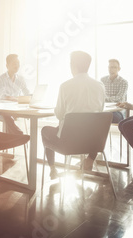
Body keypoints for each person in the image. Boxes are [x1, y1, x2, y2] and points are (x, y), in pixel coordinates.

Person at [41, 51, 105, 179]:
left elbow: (59, 114)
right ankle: (89, 160)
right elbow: (100, 112)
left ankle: (53, 169)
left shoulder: (65, 86)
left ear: (73, 65)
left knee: (45, 130)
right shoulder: (100, 86)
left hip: (69, 143)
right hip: (93, 142)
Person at [0, 54, 31, 134]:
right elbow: (2, 96)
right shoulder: (1, 79)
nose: (17, 65)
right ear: (7, 65)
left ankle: (20, 136)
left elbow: (26, 93)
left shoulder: (21, 79)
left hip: (16, 109)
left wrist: (32, 97)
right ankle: (17, 133)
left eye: (18, 63)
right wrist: (18, 99)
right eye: (14, 63)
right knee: (7, 115)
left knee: (30, 114)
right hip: (3, 110)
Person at [100, 59, 128, 123]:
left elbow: (119, 98)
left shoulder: (123, 82)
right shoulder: (102, 80)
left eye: (114, 67)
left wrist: (106, 99)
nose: (111, 69)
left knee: (110, 117)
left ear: (119, 69)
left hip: (117, 110)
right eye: (110, 67)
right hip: (105, 109)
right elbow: (101, 96)